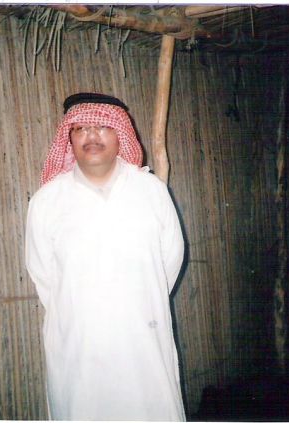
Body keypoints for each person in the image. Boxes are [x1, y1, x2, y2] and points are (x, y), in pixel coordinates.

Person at [25, 93, 185, 421]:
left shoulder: (151, 191)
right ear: (69, 138)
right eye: (81, 128)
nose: (92, 136)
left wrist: (140, 302)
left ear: (120, 134)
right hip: (79, 343)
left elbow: (171, 259)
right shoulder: (47, 201)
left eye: (103, 127)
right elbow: (42, 275)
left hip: (143, 337)